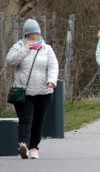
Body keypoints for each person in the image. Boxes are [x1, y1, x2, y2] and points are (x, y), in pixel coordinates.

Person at [6, 19, 59, 159]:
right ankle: (23, 145)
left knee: (38, 120)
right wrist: (25, 48)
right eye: (31, 35)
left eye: (36, 34)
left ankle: (34, 147)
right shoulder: (18, 46)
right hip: (24, 91)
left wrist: (51, 81)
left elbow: (53, 66)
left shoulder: (47, 49)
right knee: (26, 118)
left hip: (44, 91)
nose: (34, 37)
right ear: (26, 35)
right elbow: (10, 61)